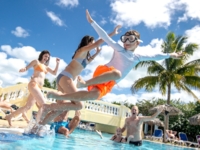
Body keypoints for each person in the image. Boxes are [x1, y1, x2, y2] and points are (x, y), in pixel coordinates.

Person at [44, 10, 183, 107]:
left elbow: (155, 56)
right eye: (125, 39)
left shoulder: (138, 57)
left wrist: (171, 54)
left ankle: (59, 97)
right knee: (117, 73)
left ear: (138, 42)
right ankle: (84, 84)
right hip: (104, 73)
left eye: (131, 39)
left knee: (92, 97)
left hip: (108, 84)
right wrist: (92, 22)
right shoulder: (118, 48)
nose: (126, 42)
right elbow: (104, 37)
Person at [39, 25, 121, 124]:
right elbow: (100, 41)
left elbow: (89, 60)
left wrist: (97, 53)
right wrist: (112, 33)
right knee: (79, 105)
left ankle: (39, 126)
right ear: (88, 42)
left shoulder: (85, 57)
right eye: (93, 43)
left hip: (64, 78)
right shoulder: (81, 51)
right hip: (66, 77)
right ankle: (47, 107)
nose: (94, 45)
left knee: (60, 108)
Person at [5, 50, 60, 126]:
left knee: (28, 106)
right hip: (34, 84)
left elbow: (54, 73)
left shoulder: (46, 67)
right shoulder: (36, 62)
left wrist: (57, 63)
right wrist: (24, 69)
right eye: (45, 56)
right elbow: (27, 67)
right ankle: (38, 125)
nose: (46, 58)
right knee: (43, 104)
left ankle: (10, 116)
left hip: (39, 87)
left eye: (48, 57)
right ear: (42, 55)